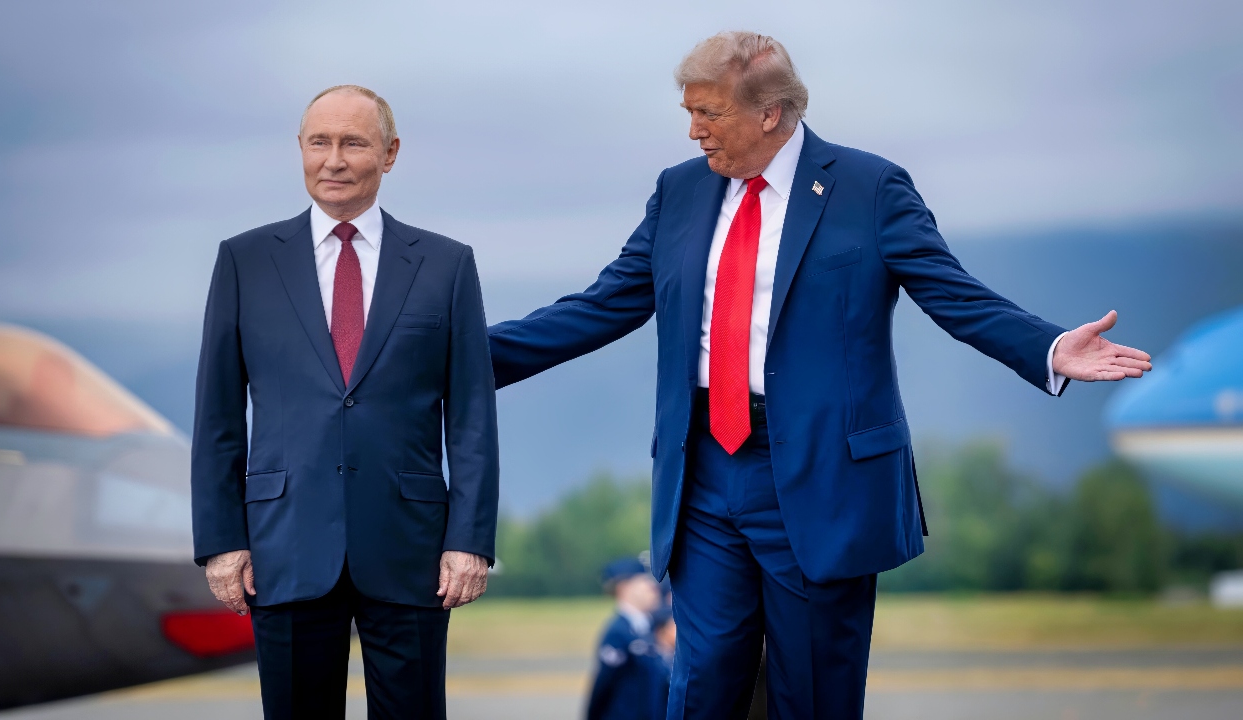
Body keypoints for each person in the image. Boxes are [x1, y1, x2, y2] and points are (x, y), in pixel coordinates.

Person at [488, 32, 1151, 719]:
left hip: (819, 477)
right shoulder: (679, 192)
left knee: (812, 692)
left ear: (769, 113)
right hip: (706, 469)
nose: (693, 131)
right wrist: (462, 360)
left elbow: (953, 294)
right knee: (701, 680)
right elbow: (600, 306)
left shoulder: (870, 188)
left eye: (708, 113)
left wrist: (1046, 347)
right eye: (689, 112)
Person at [191, 84, 499, 719]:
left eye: (353, 143)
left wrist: (469, 540)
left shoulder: (446, 265)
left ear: (389, 154)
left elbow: (472, 418)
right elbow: (218, 416)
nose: (333, 159)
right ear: (300, 150)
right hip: (284, 544)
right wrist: (221, 541)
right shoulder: (244, 261)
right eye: (318, 142)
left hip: (411, 548)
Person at [587, 557, 664, 720]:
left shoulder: (650, 627)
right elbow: (603, 685)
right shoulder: (618, 632)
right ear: (624, 587)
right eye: (643, 581)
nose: (653, 587)